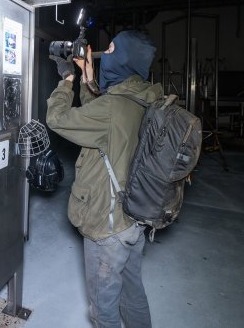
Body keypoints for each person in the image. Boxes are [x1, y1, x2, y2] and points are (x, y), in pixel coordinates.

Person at [46, 30, 162, 328]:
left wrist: (66, 79)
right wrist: (88, 75)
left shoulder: (111, 107)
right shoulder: (142, 97)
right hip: (135, 217)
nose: (104, 53)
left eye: (111, 49)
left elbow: (58, 119)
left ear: (124, 57)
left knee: (104, 308)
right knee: (132, 292)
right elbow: (100, 115)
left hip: (108, 226)